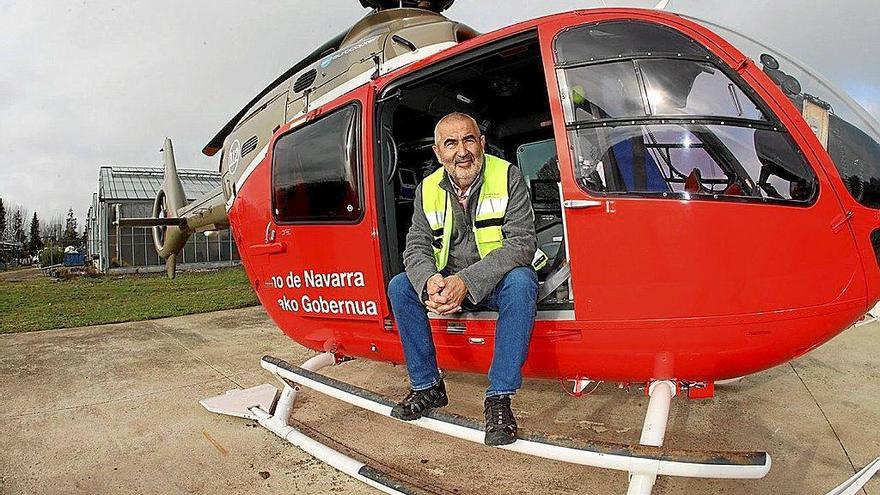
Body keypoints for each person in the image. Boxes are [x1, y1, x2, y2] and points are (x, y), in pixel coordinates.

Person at [387, 112, 539, 446]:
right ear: (438, 153)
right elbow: (415, 246)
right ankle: (427, 386)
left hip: (493, 282)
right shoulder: (427, 189)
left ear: (482, 143)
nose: (462, 151)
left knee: (523, 281)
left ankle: (499, 397)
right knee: (400, 286)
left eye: (469, 139)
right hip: (447, 282)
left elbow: (521, 244)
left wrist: (466, 282)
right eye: (451, 143)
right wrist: (429, 281)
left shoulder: (507, 176)